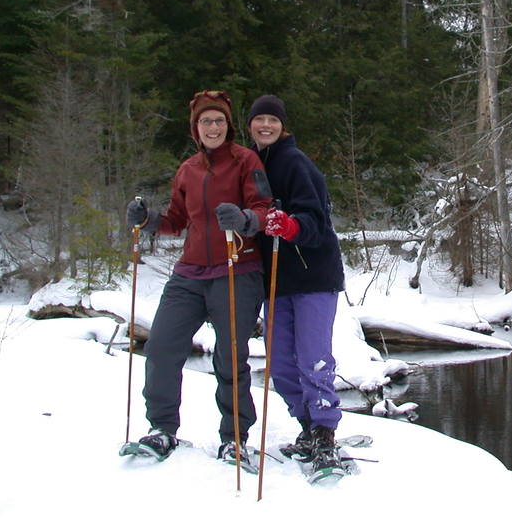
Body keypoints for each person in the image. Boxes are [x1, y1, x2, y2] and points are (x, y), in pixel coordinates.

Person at [125, 90, 272, 464]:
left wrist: (244, 220)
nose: (213, 127)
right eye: (206, 121)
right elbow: (176, 221)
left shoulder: (246, 160)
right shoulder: (188, 169)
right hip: (190, 272)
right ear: (196, 128)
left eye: (219, 121)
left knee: (230, 356)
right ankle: (161, 429)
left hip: (237, 267)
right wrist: (148, 220)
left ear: (228, 126)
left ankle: (235, 436)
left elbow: (262, 209)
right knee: (160, 347)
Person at [245, 94, 346, 471]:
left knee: (313, 358)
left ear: (282, 126)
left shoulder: (295, 162)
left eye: (272, 120)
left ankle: (324, 432)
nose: (265, 126)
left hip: (313, 276)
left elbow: (316, 223)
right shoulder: (252, 164)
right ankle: (306, 424)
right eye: (259, 120)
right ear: (250, 125)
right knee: (281, 363)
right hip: (276, 280)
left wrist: (289, 225)